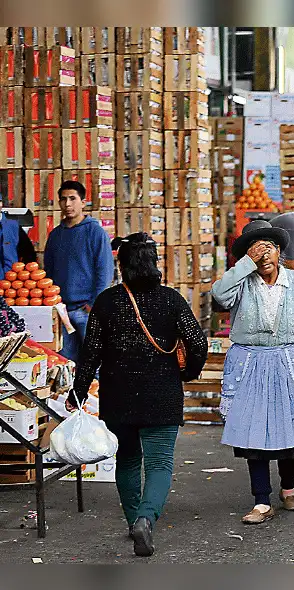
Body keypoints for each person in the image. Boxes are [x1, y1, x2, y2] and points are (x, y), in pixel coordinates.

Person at [69, 232, 208, 557]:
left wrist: (77, 392)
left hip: (118, 398)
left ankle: (134, 522)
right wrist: (187, 373)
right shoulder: (171, 300)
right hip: (162, 395)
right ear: (154, 262)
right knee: (159, 464)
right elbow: (198, 343)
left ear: (122, 263)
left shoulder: (107, 301)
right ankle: (147, 518)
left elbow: (91, 354)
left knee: (128, 461)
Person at [211, 220, 294, 526]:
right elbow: (218, 295)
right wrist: (244, 265)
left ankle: (288, 487)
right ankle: (261, 500)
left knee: (289, 431)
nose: (264, 256)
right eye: (256, 251)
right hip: (250, 363)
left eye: (269, 249)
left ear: (280, 252)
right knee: (253, 435)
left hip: (291, 363)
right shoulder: (241, 282)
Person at [44, 180, 114, 362]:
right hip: (61, 310)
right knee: (65, 362)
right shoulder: (55, 235)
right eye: (63, 199)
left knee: (94, 361)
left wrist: (94, 304)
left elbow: (105, 272)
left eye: (73, 199)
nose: (67, 204)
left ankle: (96, 391)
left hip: (87, 310)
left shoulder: (95, 232)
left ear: (83, 202)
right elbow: (48, 272)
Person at [0, 195, 37, 274]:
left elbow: (29, 254)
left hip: (12, 282)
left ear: (1, 204)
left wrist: (25, 277)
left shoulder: (14, 227)